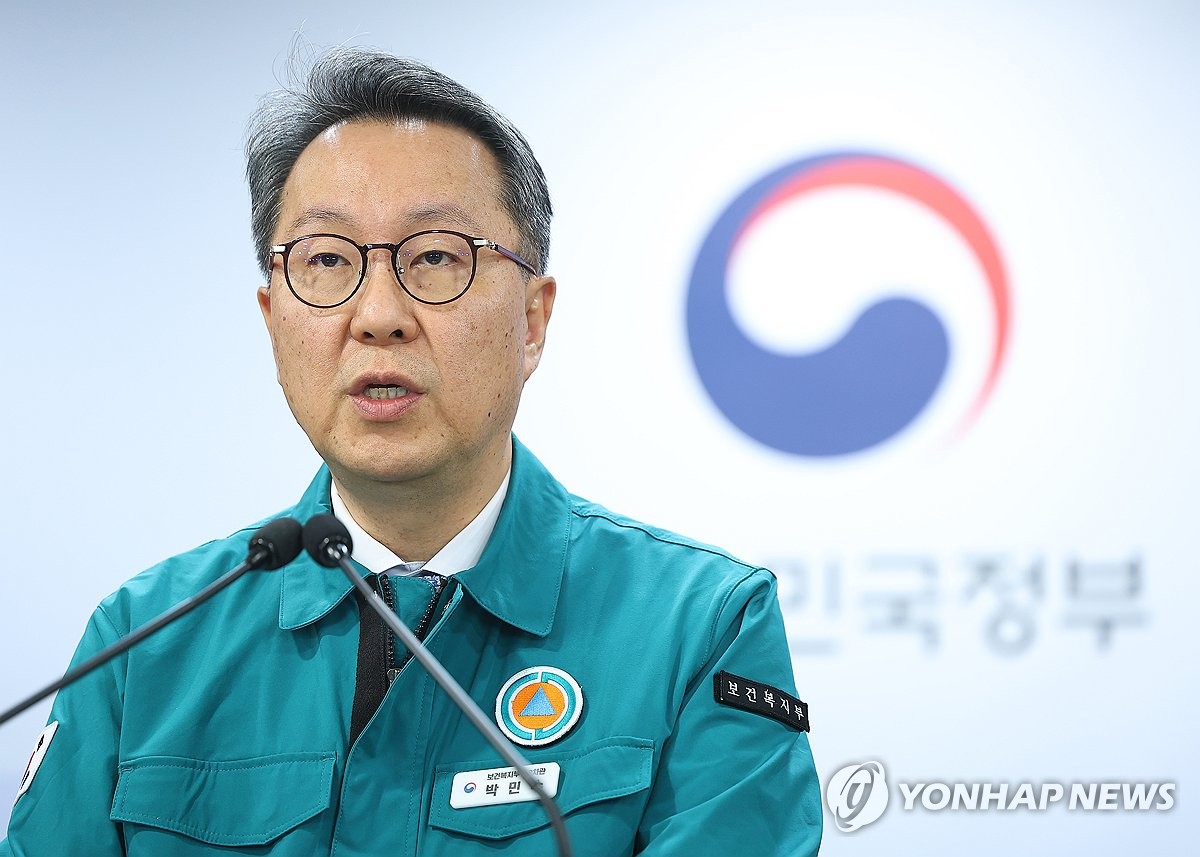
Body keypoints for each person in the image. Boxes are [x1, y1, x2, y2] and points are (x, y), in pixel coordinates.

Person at [1, 48, 822, 855]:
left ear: (532, 321)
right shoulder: (143, 645)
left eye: (434, 257)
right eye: (327, 260)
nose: (379, 315)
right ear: (273, 320)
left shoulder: (699, 626)